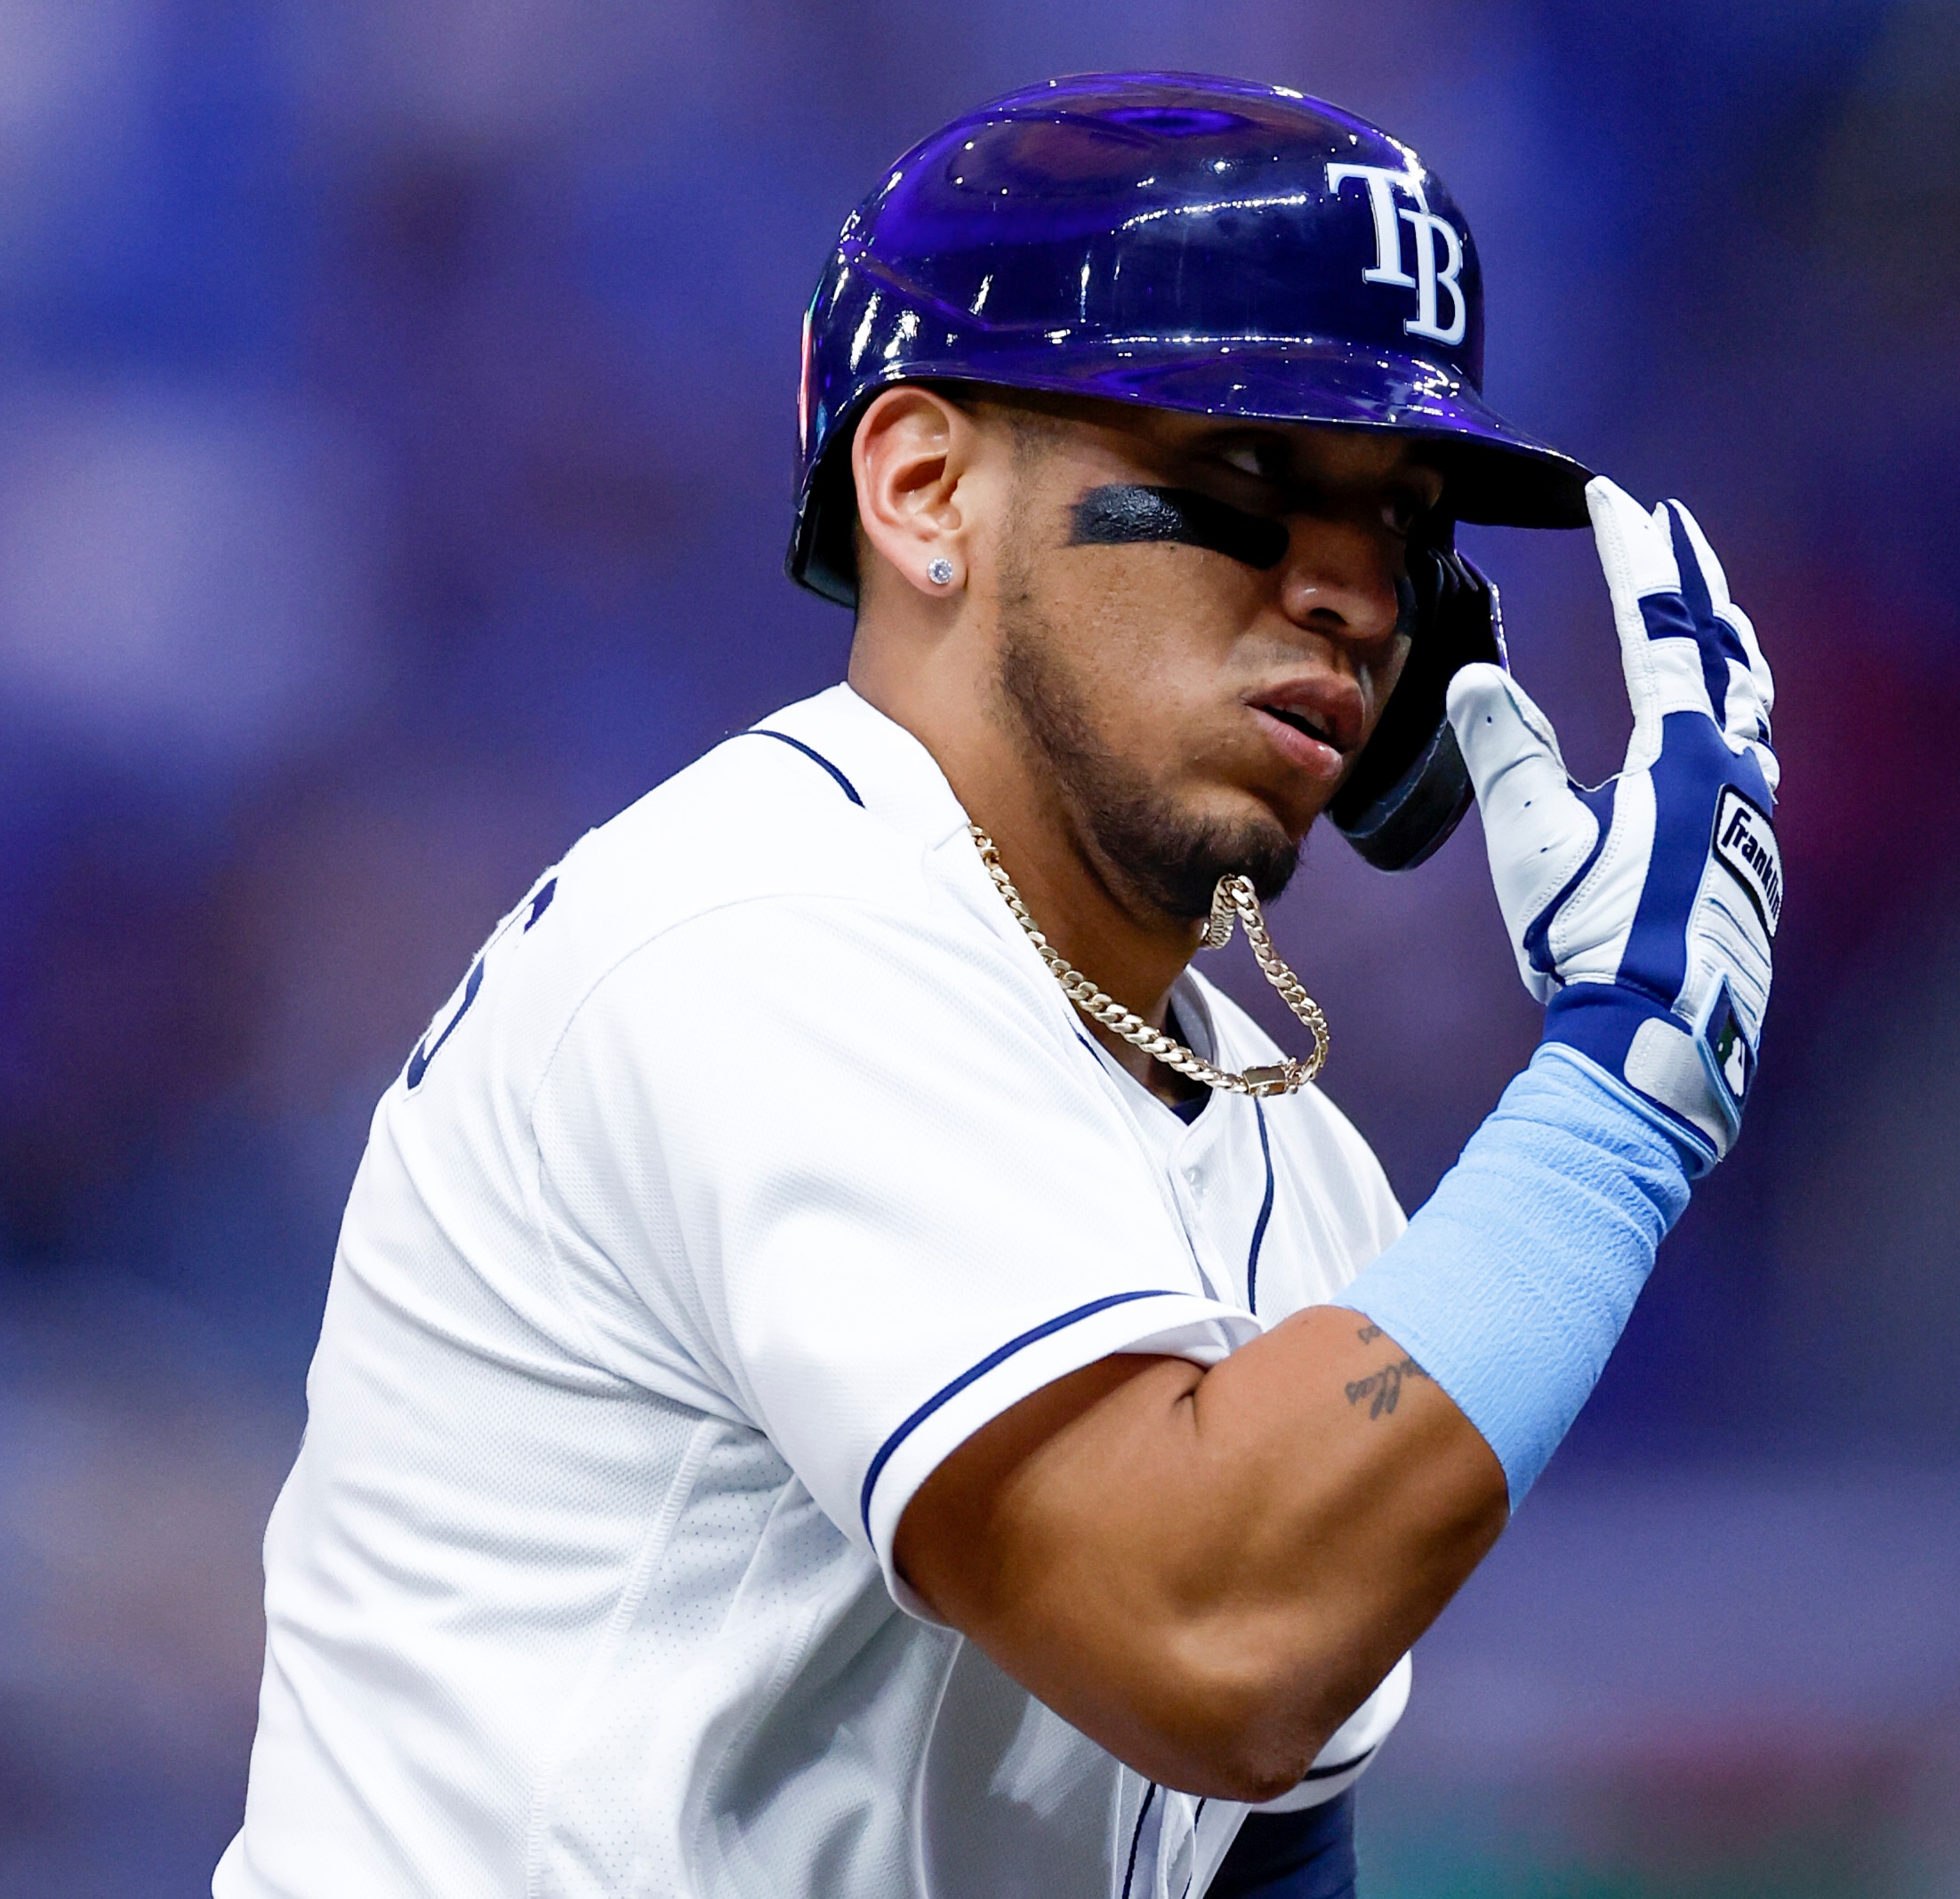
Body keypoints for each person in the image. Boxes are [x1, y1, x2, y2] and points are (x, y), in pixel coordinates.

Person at [216, 71, 1779, 1899]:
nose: (1354, 594)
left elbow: (1258, 1839)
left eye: (1402, 520)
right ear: (923, 484)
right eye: (1246, 477)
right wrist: (1612, 1108)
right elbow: (1212, 1632)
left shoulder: (1296, 1165)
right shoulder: (760, 934)